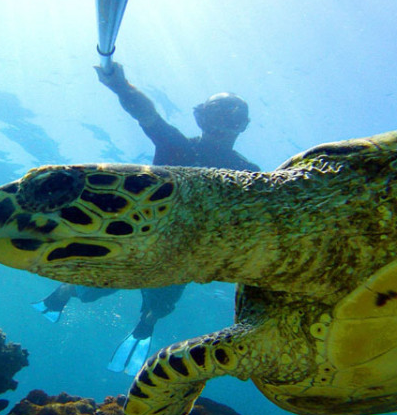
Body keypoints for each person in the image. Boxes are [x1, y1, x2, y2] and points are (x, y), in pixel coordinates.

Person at [33, 62, 260, 374]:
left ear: (242, 125)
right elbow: (147, 114)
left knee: (157, 307)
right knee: (99, 287)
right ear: (201, 118)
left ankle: (142, 323)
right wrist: (120, 85)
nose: (222, 124)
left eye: (231, 116)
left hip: (178, 254)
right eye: (217, 114)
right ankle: (67, 291)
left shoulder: (249, 175)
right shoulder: (180, 147)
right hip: (145, 241)